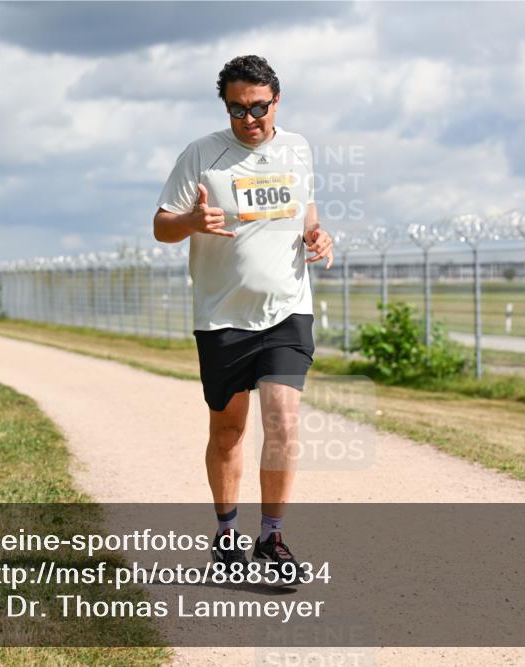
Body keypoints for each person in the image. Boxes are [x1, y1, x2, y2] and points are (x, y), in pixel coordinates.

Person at [153, 55, 333, 584]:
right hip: (223, 317)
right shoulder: (202, 155)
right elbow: (162, 226)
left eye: (258, 107)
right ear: (225, 106)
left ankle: (272, 538)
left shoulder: (297, 148)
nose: (249, 118)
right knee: (229, 431)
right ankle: (226, 536)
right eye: (237, 109)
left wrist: (317, 235)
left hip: (287, 311)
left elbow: (308, 211)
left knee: (282, 422)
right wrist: (189, 221)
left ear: (277, 100)